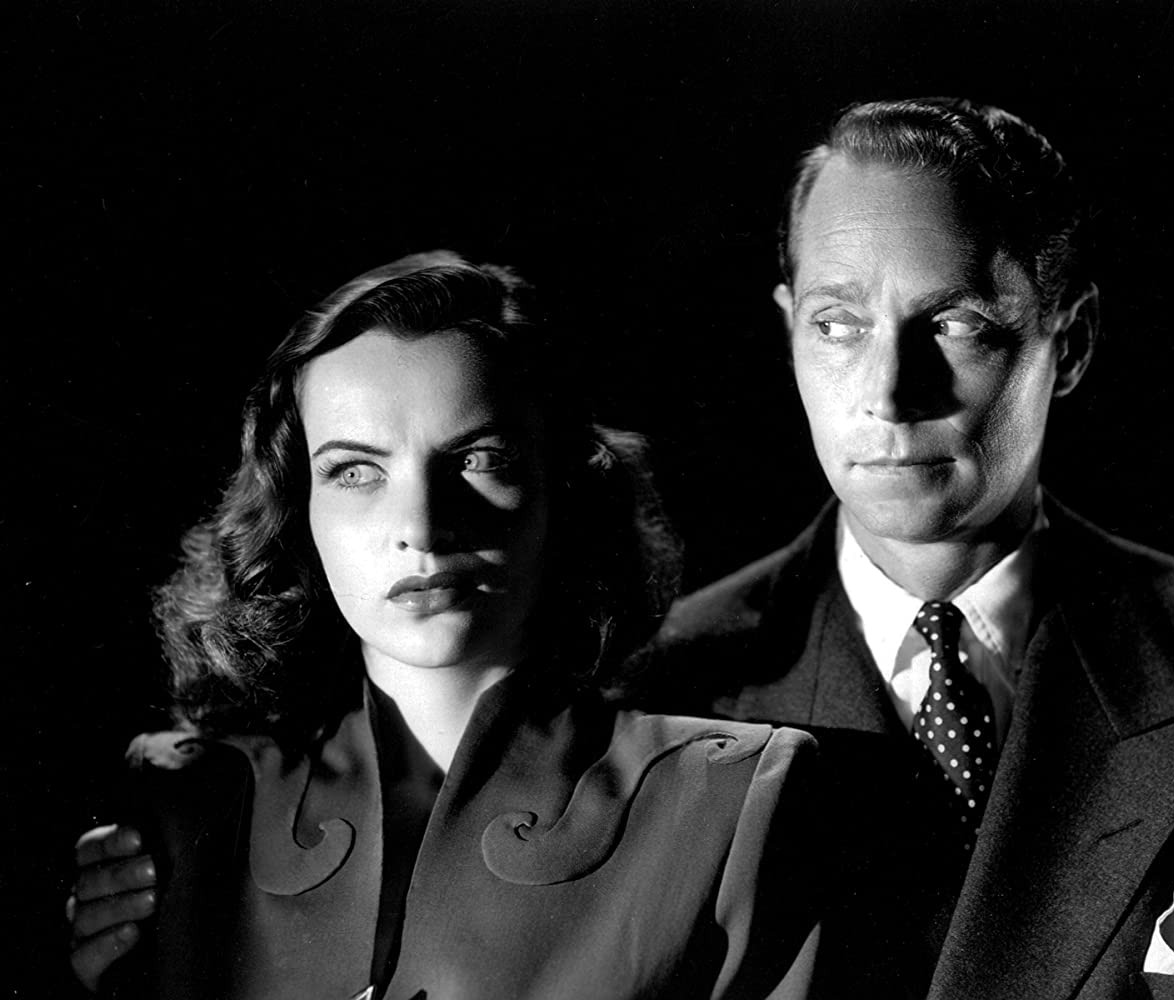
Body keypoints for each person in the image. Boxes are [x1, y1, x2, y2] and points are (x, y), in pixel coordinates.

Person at [613, 98, 1174, 998]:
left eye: (956, 325)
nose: (889, 394)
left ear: (1069, 343)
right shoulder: (657, 698)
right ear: (788, 330)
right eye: (837, 325)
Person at [66, 251, 821, 998]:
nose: (422, 529)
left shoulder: (731, 806)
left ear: (561, 486)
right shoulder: (185, 805)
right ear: (298, 513)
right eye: (354, 471)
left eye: (479, 458)